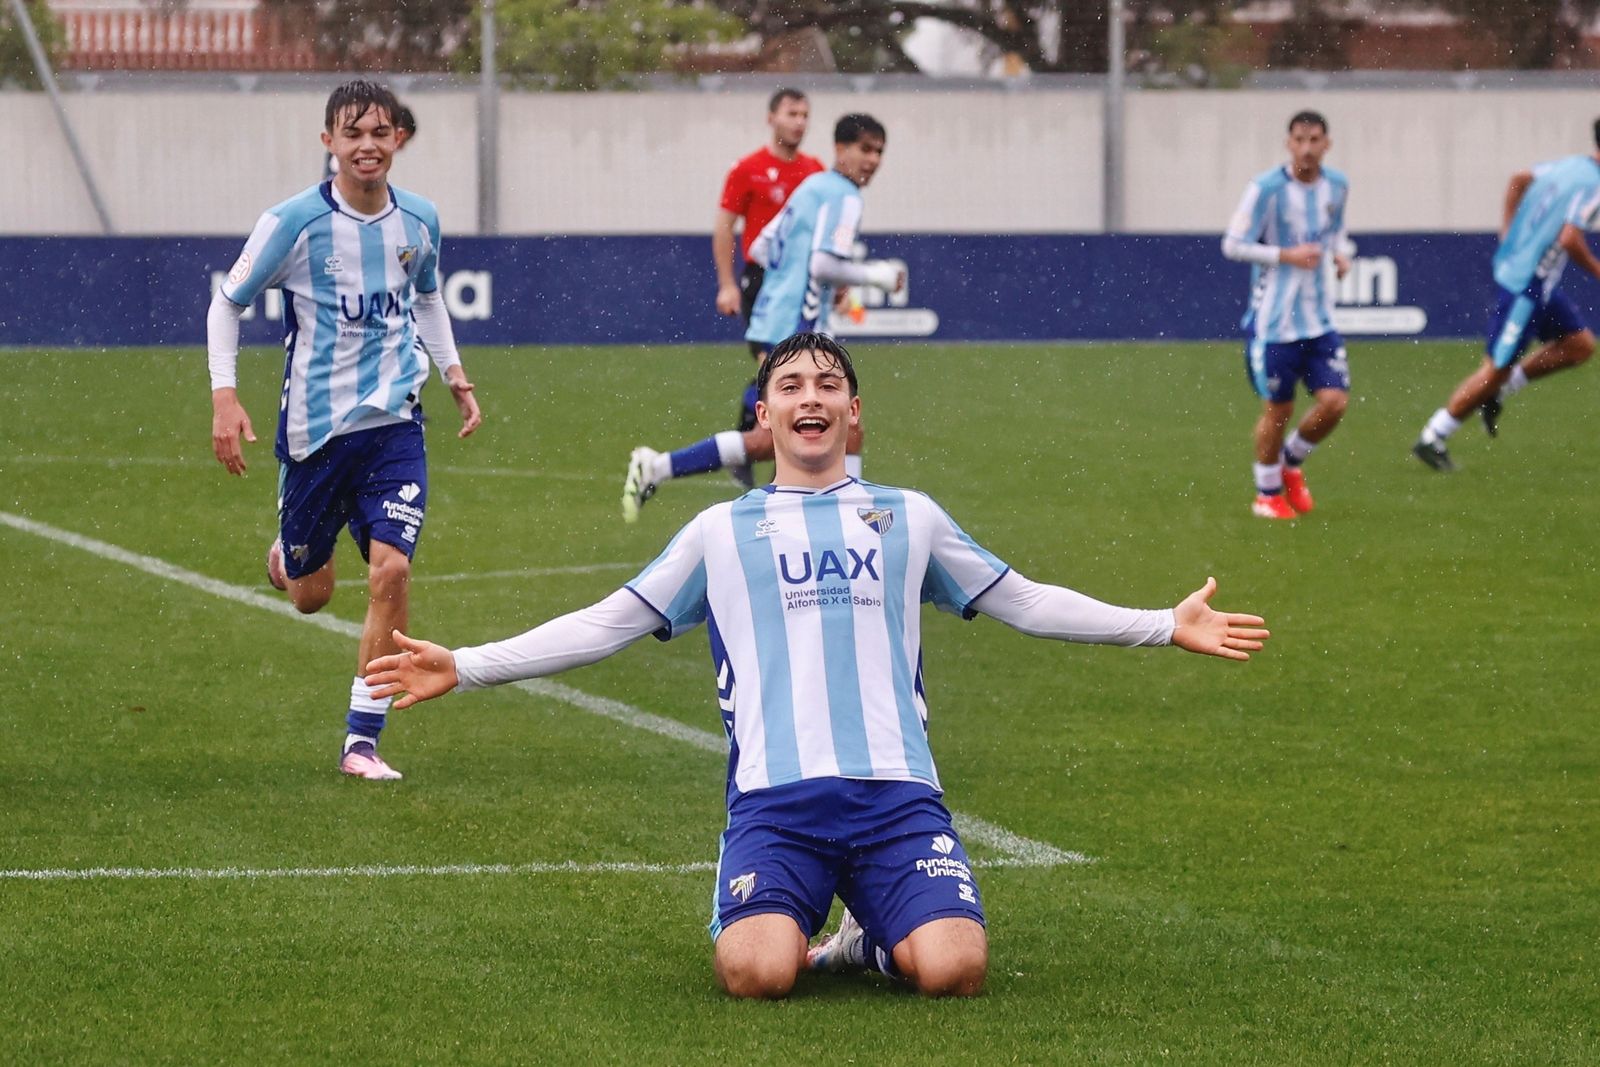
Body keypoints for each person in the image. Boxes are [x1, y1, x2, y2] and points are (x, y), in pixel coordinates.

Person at [367, 332, 1270, 999]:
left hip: (897, 798)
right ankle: (792, 915)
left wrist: (1161, 622)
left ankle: (865, 943)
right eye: (790, 384)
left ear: (852, 411)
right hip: (776, 802)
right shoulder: (720, 529)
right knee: (755, 974)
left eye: (828, 384)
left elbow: (1024, 600)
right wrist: (471, 662)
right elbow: (610, 622)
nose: (810, 396)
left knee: (955, 970)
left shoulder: (909, 515)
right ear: (764, 415)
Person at [208, 78, 483, 781]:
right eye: (352, 133)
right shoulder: (294, 223)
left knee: (391, 569)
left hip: (395, 424)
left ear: (399, 140)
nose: (367, 145)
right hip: (315, 434)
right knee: (312, 596)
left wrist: (454, 376)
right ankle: (287, 557)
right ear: (328, 141)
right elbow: (227, 304)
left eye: (380, 132)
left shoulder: (419, 220)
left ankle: (361, 740)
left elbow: (427, 300)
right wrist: (225, 397)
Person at [621, 114, 905, 523]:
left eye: (879, 152)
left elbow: (763, 247)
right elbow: (824, 263)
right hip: (797, 326)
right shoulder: (844, 196)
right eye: (865, 149)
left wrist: (794, 278)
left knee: (804, 432)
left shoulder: (811, 186)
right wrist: (873, 276)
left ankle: (788, 513)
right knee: (825, 427)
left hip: (775, 319)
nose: (873, 160)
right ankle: (845, 514)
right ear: (840, 149)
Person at [1413, 126, 1600, 472]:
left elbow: (1518, 178)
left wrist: (1508, 230)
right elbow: (1571, 238)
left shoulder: (1570, 166)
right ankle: (1432, 436)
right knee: (1495, 368)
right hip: (1526, 283)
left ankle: (1499, 391)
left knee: (1580, 346)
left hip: (1534, 280)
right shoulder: (1595, 186)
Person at [1222, 110, 1353, 520]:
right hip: (1275, 322)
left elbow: (1335, 233)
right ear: (1288, 143)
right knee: (1278, 409)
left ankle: (1291, 462)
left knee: (1335, 403)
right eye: (1300, 140)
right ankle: (1266, 493)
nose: (1307, 149)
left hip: (1319, 319)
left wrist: (1341, 254)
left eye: (1315, 140)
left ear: (1327, 145)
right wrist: (1285, 255)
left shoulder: (1337, 186)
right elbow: (1232, 245)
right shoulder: (1266, 189)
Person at [713, 88, 825, 487]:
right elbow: (725, 227)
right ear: (771, 118)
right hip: (762, 281)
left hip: (803, 283)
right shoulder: (748, 169)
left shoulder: (815, 171)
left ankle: (751, 438)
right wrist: (727, 284)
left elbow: (821, 235)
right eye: (792, 113)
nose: (799, 121)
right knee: (779, 368)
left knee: (791, 370)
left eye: (805, 114)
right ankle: (755, 446)